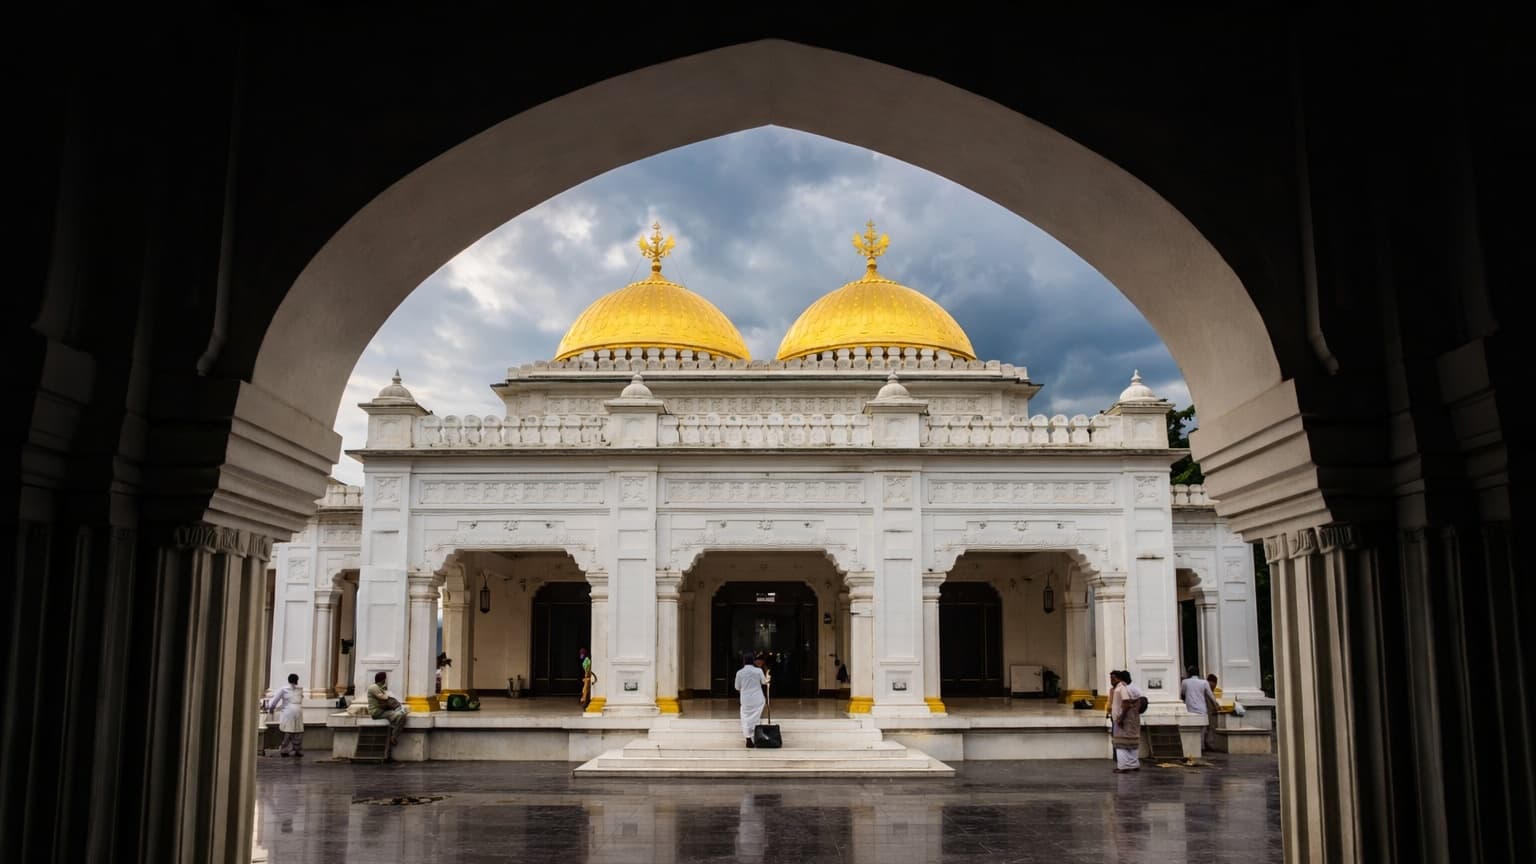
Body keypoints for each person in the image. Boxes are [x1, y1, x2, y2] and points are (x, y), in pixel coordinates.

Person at [265, 673, 306, 758]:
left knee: (288, 730)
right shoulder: (300, 689)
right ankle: (297, 749)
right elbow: (301, 697)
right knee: (297, 730)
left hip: (288, 710)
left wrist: (271, 708)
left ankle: (284, 749)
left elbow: (275, 699)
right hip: (298, 709)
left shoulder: (284, 689)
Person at [366, 671, 409, 748]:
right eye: (384, 679)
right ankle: (394, 736)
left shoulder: (379, 687)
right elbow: (384, 698)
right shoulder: (373, 687)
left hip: (383, 711)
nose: (385, 681)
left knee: (402, 714)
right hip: (377, 712)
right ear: (383, 680)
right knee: (401, 716)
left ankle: (393, 732)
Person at [1179, 665, 1218, 750]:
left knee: (1191, 730)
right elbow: (1211, 695)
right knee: (1202, 731)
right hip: (1202, 710)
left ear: (1189, 673)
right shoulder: (1204, 682)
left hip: (1190, 709)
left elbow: (1182, 693)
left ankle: (1192, 748)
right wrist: (1216, 706)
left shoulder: (1185, 682)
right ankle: (1201, 748)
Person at [1110, 670, 1141, 772]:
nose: (1111, 680)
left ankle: (1123, 766)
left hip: (1125, 719)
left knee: (1121, 744)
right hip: (1131, 719)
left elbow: (1126, 703)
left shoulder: (1122, 688)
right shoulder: (1128, 688)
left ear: (1119, 678)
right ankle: (1133, 764)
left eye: (1113, 678)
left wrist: (1120, 718)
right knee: (1131, 743)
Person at [734, 651, 767, 748]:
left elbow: (737, 687)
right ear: (753, 661)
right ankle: (755, 737)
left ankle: (748, 737)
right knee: (756, 718)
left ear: (744, 661)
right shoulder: (758, 671)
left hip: (745, 699)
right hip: (757, 698)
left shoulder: (739, 672)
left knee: (745, 718)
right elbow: (764, 682)